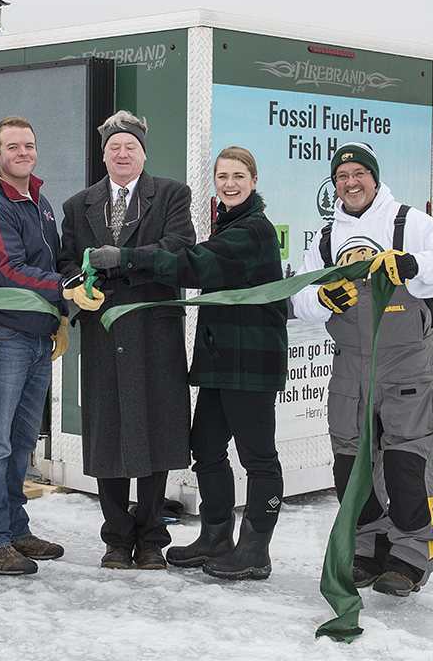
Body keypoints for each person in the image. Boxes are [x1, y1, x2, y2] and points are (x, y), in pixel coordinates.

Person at [89, 146, 287, 580]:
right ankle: (216, 536)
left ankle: (256, 550)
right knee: (207, 448)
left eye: (238, 176)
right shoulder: (229, 222)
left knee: (258, 457)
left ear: (254, 182)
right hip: (221, 360)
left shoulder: (253, 230)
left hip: (249, 363)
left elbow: (194, 266)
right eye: (222, 177)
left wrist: (126, 257)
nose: (230, 184)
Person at [292, 141, 433, 597]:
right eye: (341, 177)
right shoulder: (327, 237)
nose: (350, 183)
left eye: (358, 174)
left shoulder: (409, 222)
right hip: (351, 366)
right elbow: (301, 299)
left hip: (405, 365)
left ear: (373, 177)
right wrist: (322, 298)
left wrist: (414, 263)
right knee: (350, 467)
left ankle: (414, 552)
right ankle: (368, 549)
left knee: (405, 464)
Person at [57, 111, 195, 570]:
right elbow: (66, 262)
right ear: (103, 155)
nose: (122, 153)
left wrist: (128, 257)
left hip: (155, 332)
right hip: (103, 333)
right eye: (114, 147)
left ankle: (153, 536)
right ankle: (116, 537)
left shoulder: (172, 195)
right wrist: (77, 284)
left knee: (157, 429)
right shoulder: (79, 205)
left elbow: (180, 247)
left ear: (143, 152)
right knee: (107, 433)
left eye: (129, 146)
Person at [0, 116, 70, 575]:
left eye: (28, 144)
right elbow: (10, 271)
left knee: (22, 440)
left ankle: (15, 529)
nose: (22, 152)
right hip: (3, 336)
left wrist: (61, 315)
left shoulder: (38, 201)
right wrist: (66, 288)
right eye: (12, 147)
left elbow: (52, 258)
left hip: (38, 337)